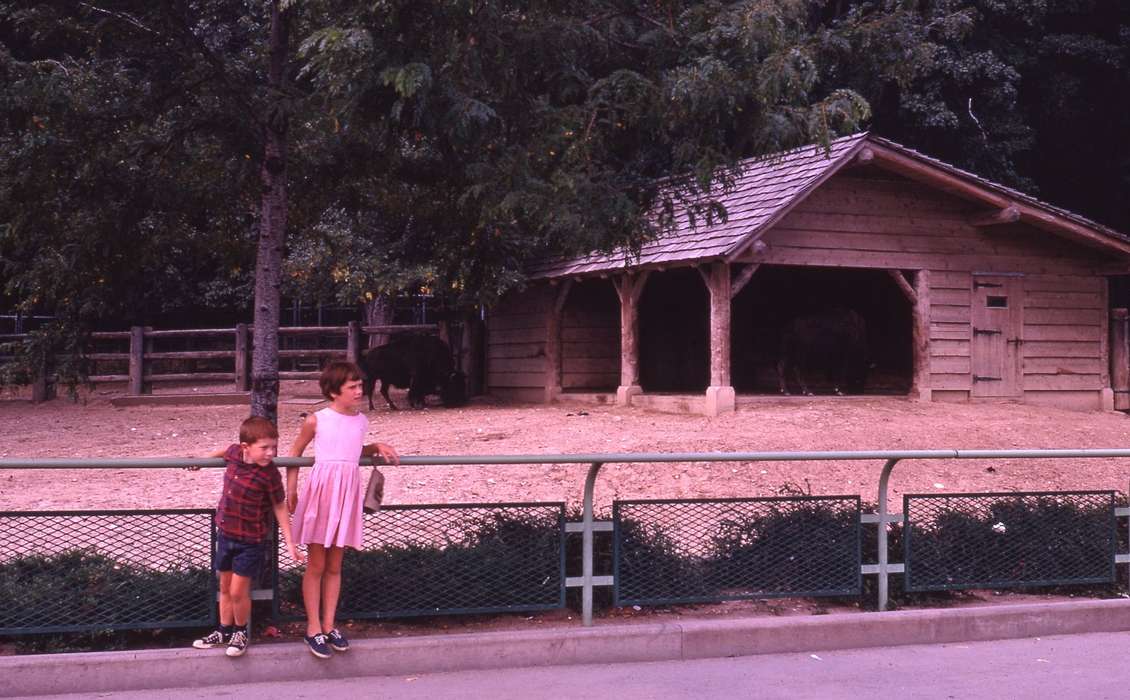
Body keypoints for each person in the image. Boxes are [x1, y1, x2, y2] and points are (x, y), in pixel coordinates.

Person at [287, 360, 399, 659]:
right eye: (352, 387)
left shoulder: (361, 421)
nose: (359, 390)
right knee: (317, 564)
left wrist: (375, 446)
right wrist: (291, 489)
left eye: (360, 385)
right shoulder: (317, 419)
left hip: (346, 493)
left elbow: (352, 450)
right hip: (322, 493)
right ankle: (312, 627)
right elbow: (295, 452)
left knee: (335, 566)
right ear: (334, 391)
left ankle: (328, 624)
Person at [191, 416, 304, 658]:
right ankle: (223, 630)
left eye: (274, 447)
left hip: (250, 540)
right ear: (246, 448)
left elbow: (280, 505)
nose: (270, 453)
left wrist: (290, 541)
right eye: (264, 448)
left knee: (238, 590)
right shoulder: (235, 454)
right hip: (226, 533)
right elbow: (225, 449)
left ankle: (240, 632)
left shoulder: (270, 474)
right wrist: (203, 460)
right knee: (224, 585)